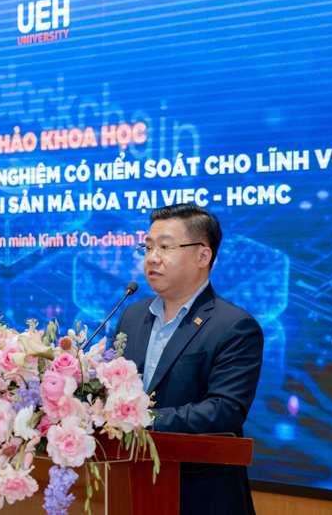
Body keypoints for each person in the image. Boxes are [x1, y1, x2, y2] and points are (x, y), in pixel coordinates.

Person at [113, 203, 264, 515]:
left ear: (203, 256)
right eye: (148, 247)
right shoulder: (132, 315)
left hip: (199, 492)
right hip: (129, 485)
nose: (152, 257)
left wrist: (143, 419)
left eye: (166, 247)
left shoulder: (234, 326)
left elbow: (225, 410)